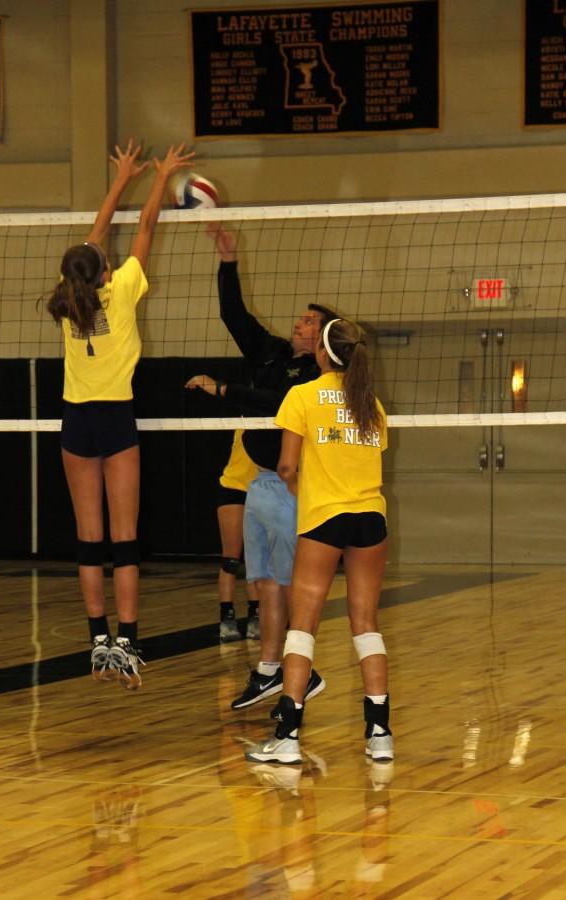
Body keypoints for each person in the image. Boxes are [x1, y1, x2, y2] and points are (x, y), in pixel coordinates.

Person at [43, 139, 194, 688]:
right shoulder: (124, 288)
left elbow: (94, 235)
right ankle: (127, 642)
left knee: (89, 538)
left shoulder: (67, 301)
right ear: (106, 271)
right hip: (116, 418)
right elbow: (146, 226)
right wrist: (156, 178)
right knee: (124, 536)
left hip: (75, 421)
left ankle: (98, 642)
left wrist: (120, 180)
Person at [185, 224, 337, 710]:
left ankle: (301, 671)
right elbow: (234, 315)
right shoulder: (271, 353)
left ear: (324, 337)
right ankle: (271, 670)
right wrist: (227, 261)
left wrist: (225, 389)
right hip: (260, 481)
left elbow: (278, 403)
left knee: (288, 583)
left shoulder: (317, 375)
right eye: (300, 318)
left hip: (296, 484)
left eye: (310, 321)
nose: (299, 322)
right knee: (264, 582)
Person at [245, 317, 392, 764]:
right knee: (366, 625)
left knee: (302, 626)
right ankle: (380, 734)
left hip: (325, 518)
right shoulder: (372, 403)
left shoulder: (302, 396)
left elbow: (287, 468)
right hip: (370, 518)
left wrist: (301, 492)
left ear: (322, 354)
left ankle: (287, 739)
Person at [216, 429, 261, 642]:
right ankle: (226, 619)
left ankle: (256, 616)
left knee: (255, 559)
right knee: (230, 560)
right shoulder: (243, 411)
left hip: (262, 488)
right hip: (233, 488)